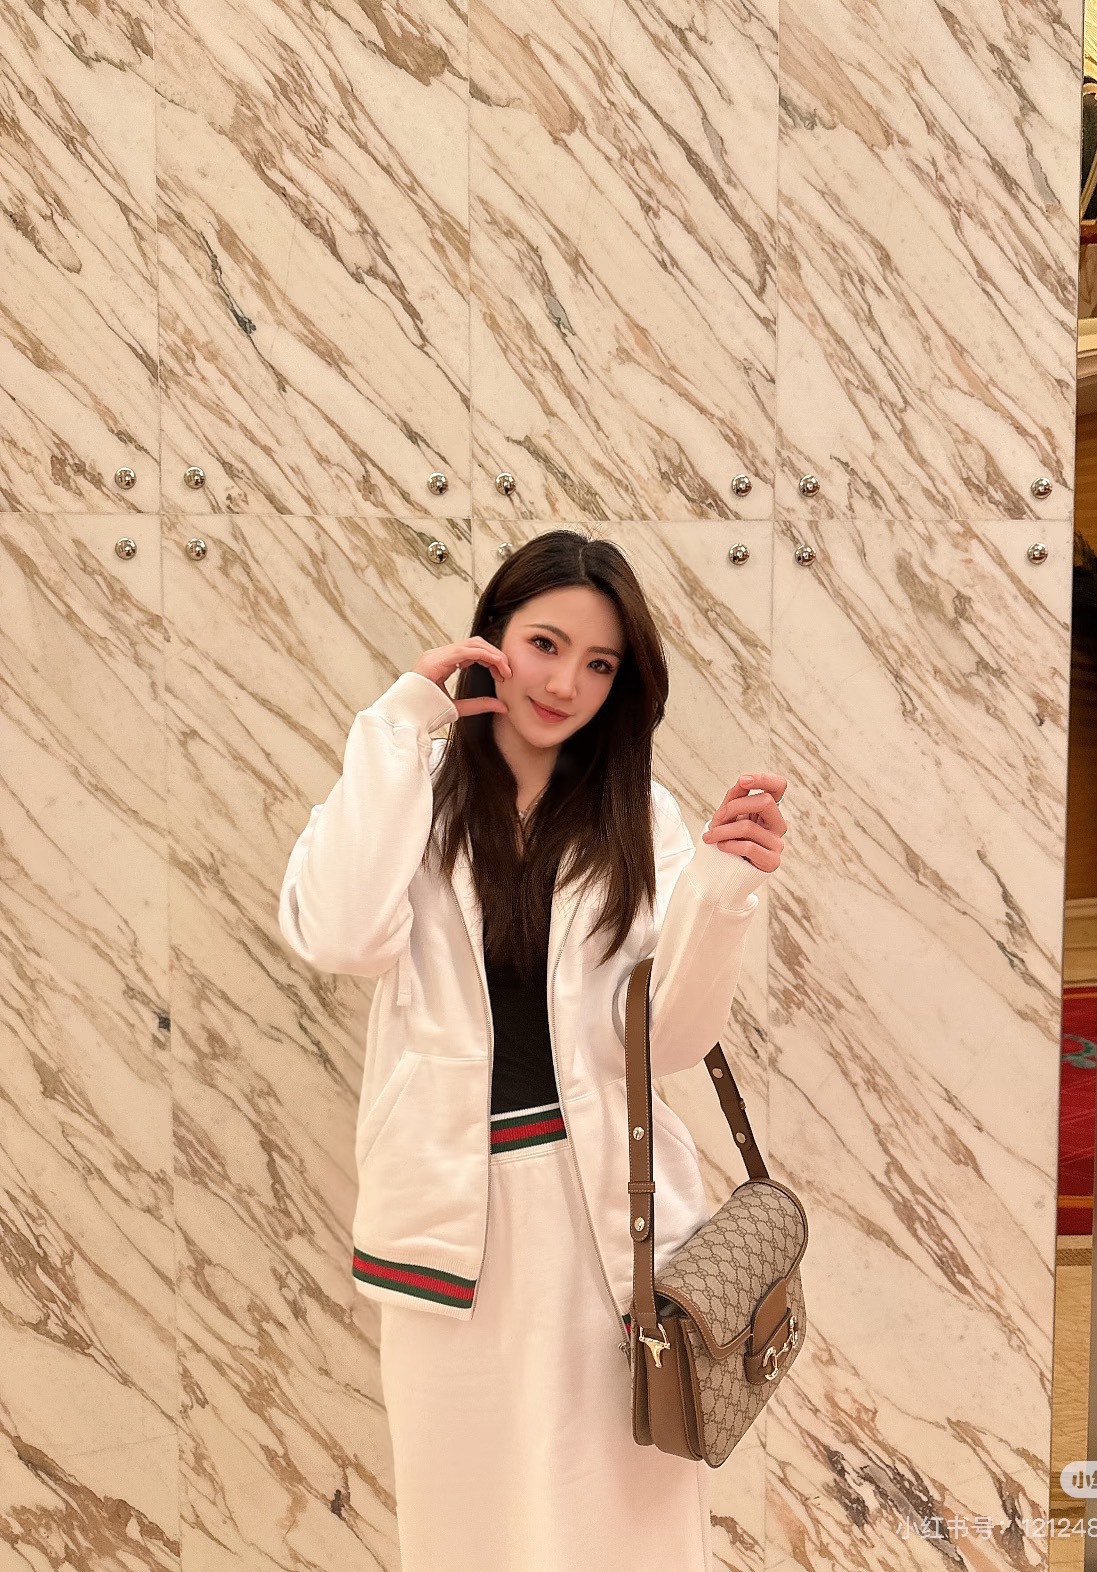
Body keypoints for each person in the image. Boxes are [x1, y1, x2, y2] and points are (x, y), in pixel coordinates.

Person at [277, 528, 788, 1572]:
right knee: (466, 1521)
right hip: (446, 1221)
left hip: (609, 1217)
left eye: (599, 664)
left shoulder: (639, 817)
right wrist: (399, 721)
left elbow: (672, 1038)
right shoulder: (411, 789)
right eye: (545, 644)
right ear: (492, 637)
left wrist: (724, 887)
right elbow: (337, 934)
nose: (564, 684)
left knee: (626, 1523)